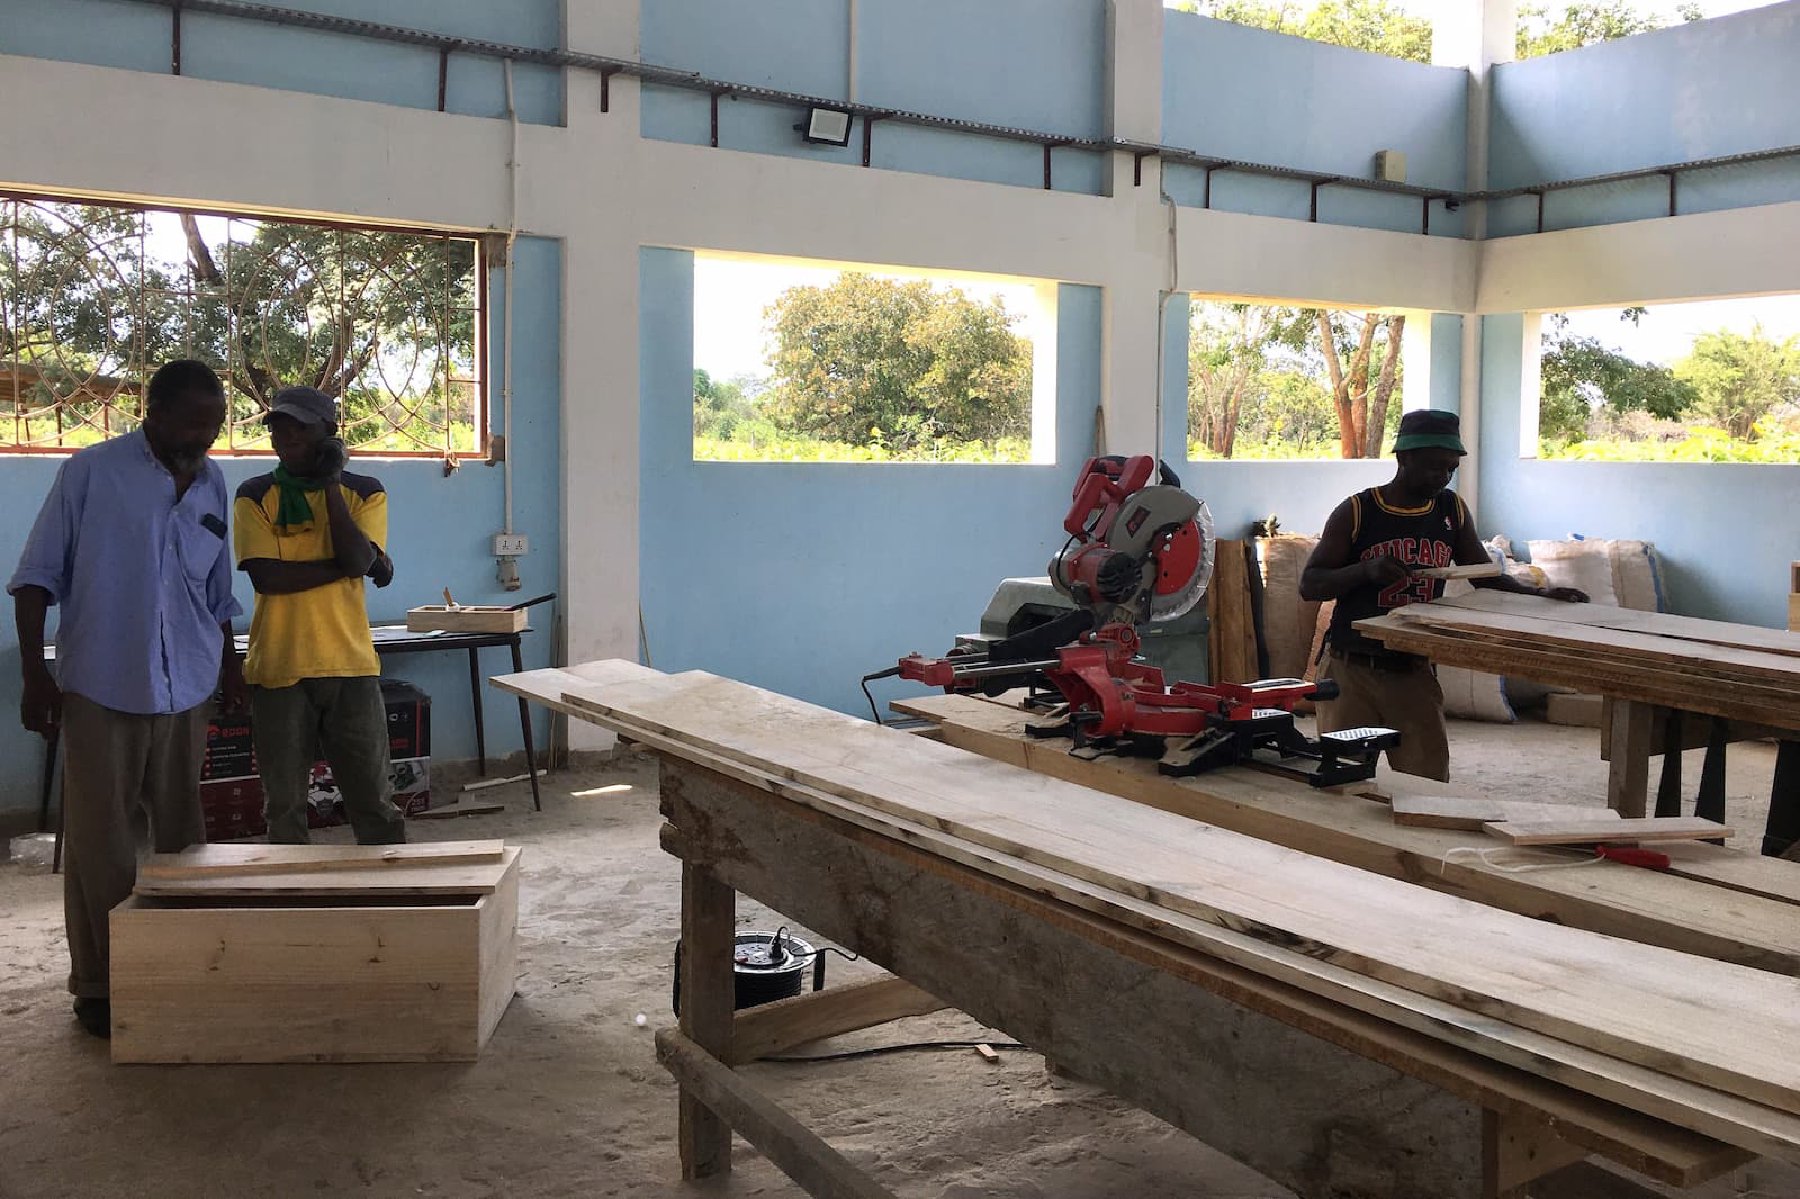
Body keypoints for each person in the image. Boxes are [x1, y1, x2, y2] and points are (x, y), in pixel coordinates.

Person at [10, 359, 246, 1038]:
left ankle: (179, 969)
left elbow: (216, 592)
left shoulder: (212, 481)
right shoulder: (91, 472)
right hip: (103, 684)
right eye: (193, 423)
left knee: (184, 838)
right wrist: (35, 674)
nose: (204, 437)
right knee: (100, 845)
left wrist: (230, 667)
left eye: (215, 425)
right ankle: (101, 986)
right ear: (154, 412)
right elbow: (35, 578)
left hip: (187, 685)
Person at [1300, 410, 1586, 782]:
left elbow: (1482, 575)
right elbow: (1311, 584)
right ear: (1404, 458)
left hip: (1412, 668)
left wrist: (1540, 593)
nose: (1443, 477)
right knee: (1345, 779)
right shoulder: (1357, 511)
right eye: (1434, 467)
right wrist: (1365, 570)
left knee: (1427, 783)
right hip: (1350, 666)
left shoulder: (1451, 510)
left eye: (1451, 469)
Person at [233, 386, 402, 846]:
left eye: (300, 428)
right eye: (278, 428)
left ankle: (388, 884)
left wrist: (330, 484)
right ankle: (289, 887)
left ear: (329, 432)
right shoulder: (255, 495)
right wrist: (355, 566)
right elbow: (268, 578)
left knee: (374, 800)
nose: (286, 437)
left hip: (350, 665)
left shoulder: (364, 492)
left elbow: (356, 557)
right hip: (279, 667)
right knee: (283, 806)